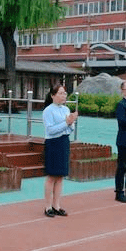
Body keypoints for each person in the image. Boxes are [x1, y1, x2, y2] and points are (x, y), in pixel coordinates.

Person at [42, 84, 77, 217]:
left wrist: (70, 122)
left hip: (64, 142)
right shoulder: (48, 111)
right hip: (53, 143)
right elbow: (50, 130)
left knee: (60, 177)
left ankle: (57, 205)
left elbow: (70, 128)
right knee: (51, 176)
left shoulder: (66, 109)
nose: (64, 96)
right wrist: (66, 123)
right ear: (53, 95)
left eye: (64, 93)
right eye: (61, 93)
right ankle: (47, 206)